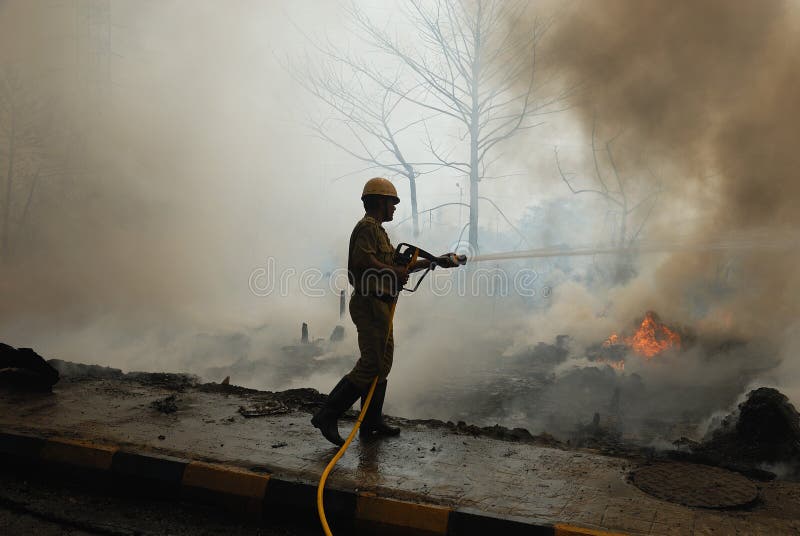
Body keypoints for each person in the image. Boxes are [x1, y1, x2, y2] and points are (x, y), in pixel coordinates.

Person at [311, 177, 458, 446]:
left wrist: (436, 261)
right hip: (369, 303)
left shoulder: (379, 231)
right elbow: (364, 260)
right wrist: (394, 271)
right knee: (371, 363)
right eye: (392, 202)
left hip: (380, 304)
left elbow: (397, 264)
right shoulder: (367, 228)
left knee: (383, 364)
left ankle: (371, 422)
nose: (394, 208)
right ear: (380, 202)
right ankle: (327, 415)